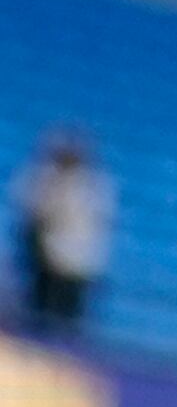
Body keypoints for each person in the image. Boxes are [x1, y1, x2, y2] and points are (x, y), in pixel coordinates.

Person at [16, 127, 113, 331]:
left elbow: (36, 214)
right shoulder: (96, 185)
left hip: (61, 263)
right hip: (70, 264)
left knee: (48, 318)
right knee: (56, 320)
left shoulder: (76, 184)